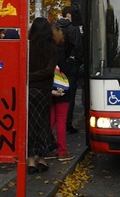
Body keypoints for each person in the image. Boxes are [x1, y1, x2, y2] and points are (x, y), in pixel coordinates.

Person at [27, 17, 57, 174]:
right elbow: (49, 70)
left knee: (30, 124)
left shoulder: (27, 46)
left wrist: (28, 77)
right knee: (43, 123)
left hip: (29, 90)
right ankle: (42, 159)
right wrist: (35, 76)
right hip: (44, 90)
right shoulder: (52, 48)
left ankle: (30, 159)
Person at [47, 24, 75, 162]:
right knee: (61, 121)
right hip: (61, 91)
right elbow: (66, 69)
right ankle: (62, 151)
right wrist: (72, 60)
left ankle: (45, 148)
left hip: (49, 89)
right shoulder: (59, 51)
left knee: (50, 121)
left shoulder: (45, 50)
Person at [56, 6, 84, 134]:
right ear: (69, 15)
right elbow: (78, 47)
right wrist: (79, 60)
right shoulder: (73, 28)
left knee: (55, 93)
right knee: (69, 95)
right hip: (71, 66)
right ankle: (67, 123)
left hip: (55, 66)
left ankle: (54, 123)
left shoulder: (54, 27)